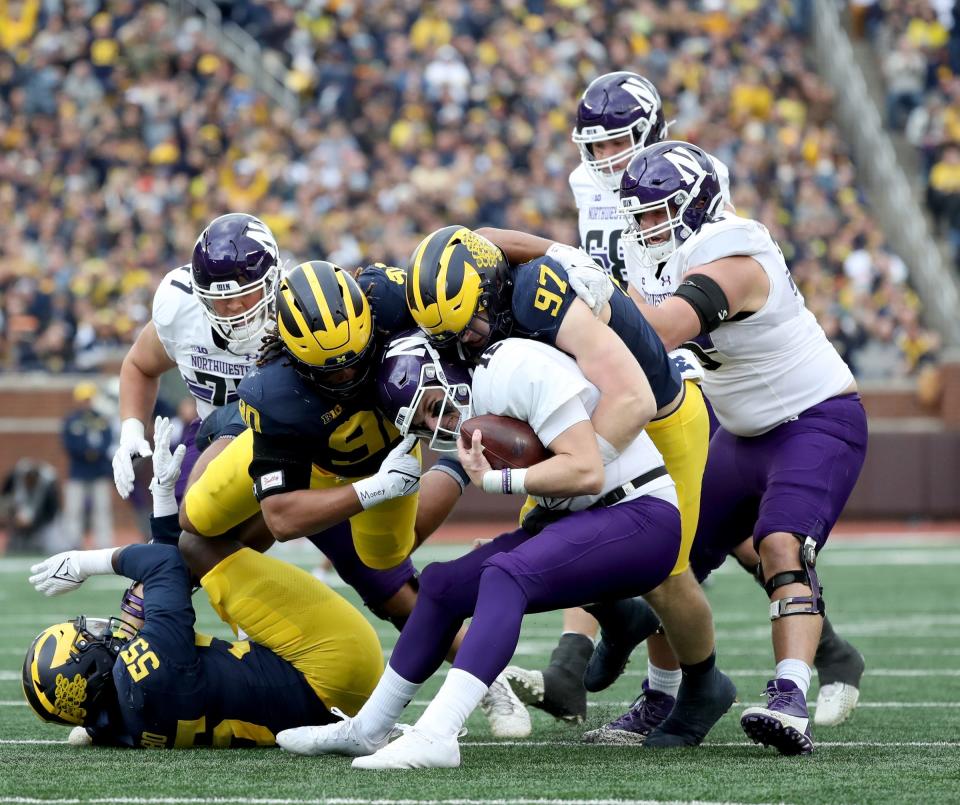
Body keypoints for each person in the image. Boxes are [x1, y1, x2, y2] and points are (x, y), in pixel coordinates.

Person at [277, 332, 734, 769]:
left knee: (505, 575)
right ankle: (370, 728)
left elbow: (586, 473)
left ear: (447, 369)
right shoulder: (480, 398)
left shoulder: (513, 367)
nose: (438, 424)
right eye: (423, 424)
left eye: (434, 407)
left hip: (640, 512)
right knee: (441, 585)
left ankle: (438, 732)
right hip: (584, 515)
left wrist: (496, 481)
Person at [179, 258, 531, 738]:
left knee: (389, 568)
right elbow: (281, 518)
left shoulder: (389, 298)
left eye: (355, 358)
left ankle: (484, 676)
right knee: (194, 518)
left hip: (387, 462)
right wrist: (372, 490)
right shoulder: (275, 393)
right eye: (331, 370)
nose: (347, 374)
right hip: (329, 472)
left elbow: (471, 264)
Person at [406, 225, 728, 747]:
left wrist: (575, 485)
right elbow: (474, 242)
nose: (463, 342)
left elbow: (632, 401)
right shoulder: (459, 290)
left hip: (658, 416)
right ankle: (617, 621)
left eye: (469, 325)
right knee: (543, 546)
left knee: (665, 574)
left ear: (489, 288)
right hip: (588, 418)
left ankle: (692, 690)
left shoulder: (540, 294)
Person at [610, 140, 869, 755]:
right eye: (639, 215)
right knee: (665, 555)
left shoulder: (736, 253)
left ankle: (790, 697)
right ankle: (662, 692)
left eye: (657, 212)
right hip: (741, 433)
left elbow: (659, 330)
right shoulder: (662, 258)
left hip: (815, 420)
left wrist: (578, 293)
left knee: (782, 544)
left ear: (697, 205)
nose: (647, 227)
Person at [24, 417, 383, 748]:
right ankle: (317, 462)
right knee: (198, 543)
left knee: (152, 592)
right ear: (90, 671)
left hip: (317, 705)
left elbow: (164, 580)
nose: (102, 633)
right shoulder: (149, 670)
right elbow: (167, 563)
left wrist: (163, 499)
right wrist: (84, 562)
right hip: (337, 664)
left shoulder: (116, 722)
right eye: (89, 640)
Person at [111, 213, 281, 507]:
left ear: (270, 282)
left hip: (290, 435)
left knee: (354, 545)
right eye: (222, 299)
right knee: (177, 532)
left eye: (246, 292)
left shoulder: (297, 310)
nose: (235, 306)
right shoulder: (182, 309)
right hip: (213, 434)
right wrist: (132, 432)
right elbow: (139, 365)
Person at [62, 382, 114, 550]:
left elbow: (107, 441)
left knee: (102, 509)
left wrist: (95, 452)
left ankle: (104, 544)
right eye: (83, 399)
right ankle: (73, 543)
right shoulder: (71, 420)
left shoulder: (101, 419)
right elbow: (68, 444)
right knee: (74, 510)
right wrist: (86, 452)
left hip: (99, 470)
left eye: (88, 399)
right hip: (78, 470)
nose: (86, 402)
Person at [0, 459, 60, 554]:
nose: (29, 484)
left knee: (46, 541)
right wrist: (15, 517)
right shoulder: (14, 481)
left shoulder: (48, 489)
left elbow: (51, 513)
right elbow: (6, 499)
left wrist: (34, 522)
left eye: (33, 481)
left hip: (41, 522)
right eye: (27, 480)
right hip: (17, 520)